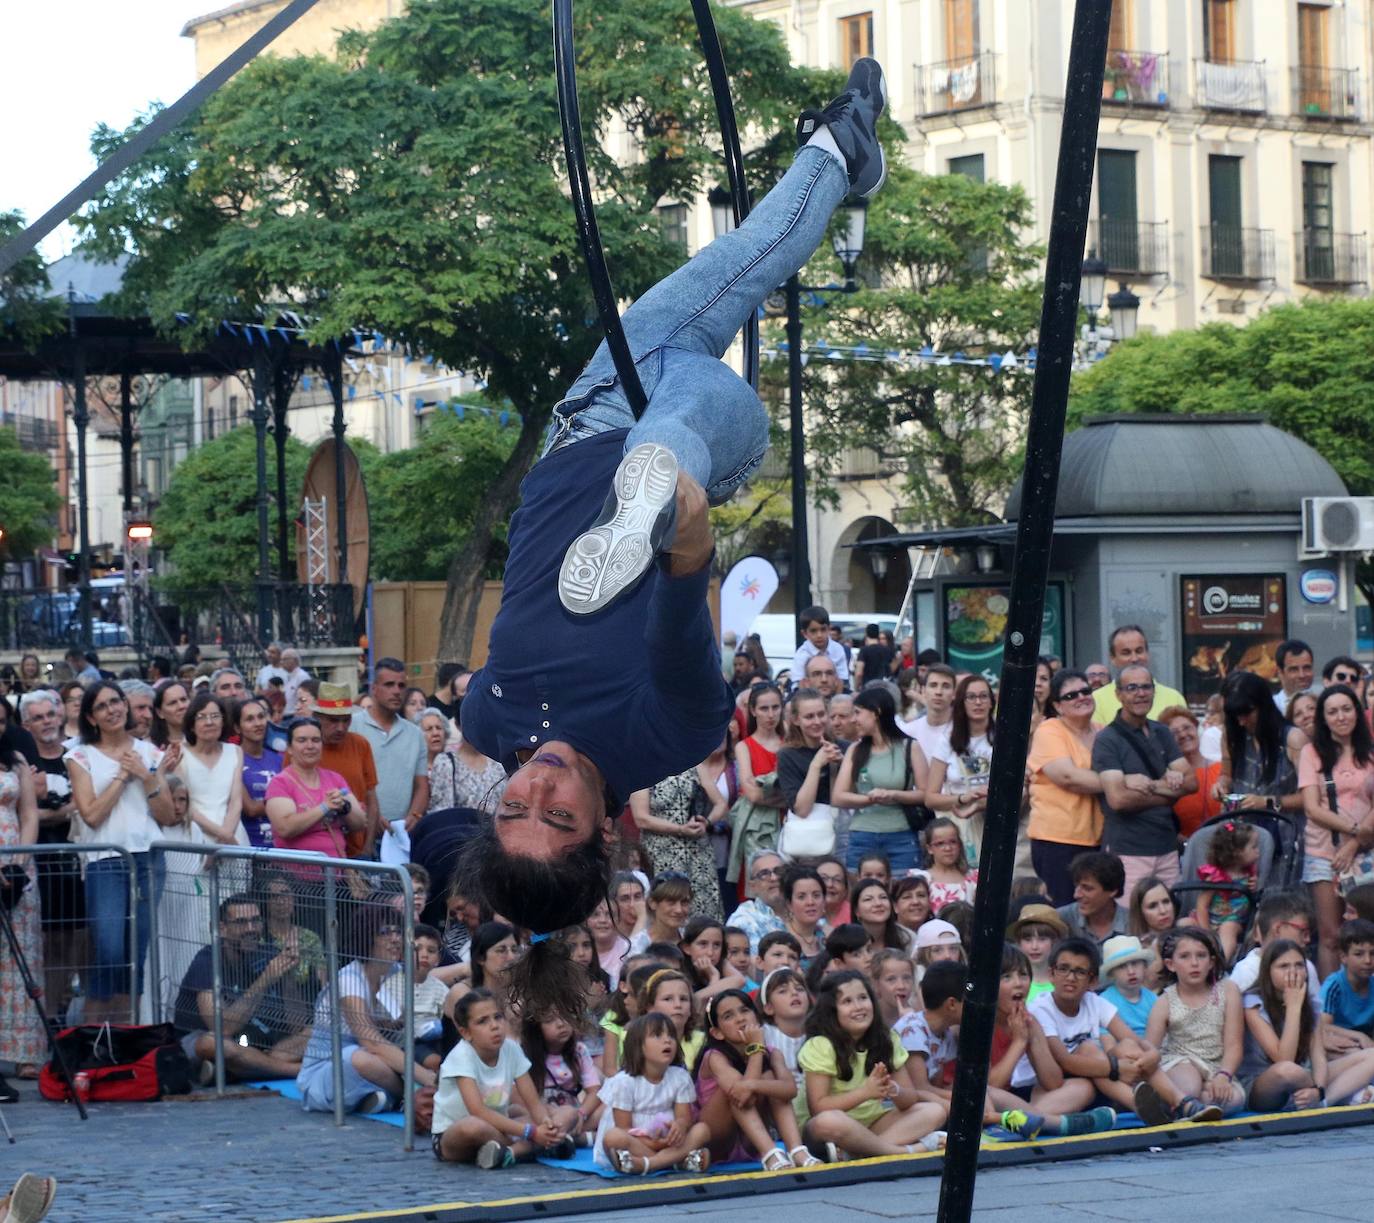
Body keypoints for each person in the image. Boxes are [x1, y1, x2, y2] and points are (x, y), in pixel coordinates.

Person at [456, 63, 889, 1020]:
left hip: (587, 412)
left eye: (515, 806)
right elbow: (677, 617)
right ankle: (645, 498)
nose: (534, 785)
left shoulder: (488, 723)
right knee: (674, 439)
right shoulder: (668, 733)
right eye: (556, 812)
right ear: (605, 830)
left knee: (745, 258)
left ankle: (846, 152)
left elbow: (482, 709)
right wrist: (680, 533)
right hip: (705, 442)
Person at [65, 681, 179, 1022]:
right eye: (102, 706)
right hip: (106, 861)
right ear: (91, 717)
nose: (112, 709)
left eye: (116, 701)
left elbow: (167, 815)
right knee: (109, 949)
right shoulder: (79, 755)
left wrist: (147, 776)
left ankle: (126, 1040)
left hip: (149, 859)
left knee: (135, 953)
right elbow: (92, 815)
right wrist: (122, 777)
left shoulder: (150, 754)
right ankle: (94, 1038)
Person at [1024, 938, 1220, 1125]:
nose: (1070, 978)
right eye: (1063, 969)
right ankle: (1145, 1105)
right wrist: (1116, 1068)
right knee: (1089, 1050)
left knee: (1126, 1046)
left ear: (1092, 981)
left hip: (1092, 1076)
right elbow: (1064, 1061)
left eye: (1079, 972)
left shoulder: (1094, 1002)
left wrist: (1151, 1053)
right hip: (1048, 1082)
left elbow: (1130, 1038)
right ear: (1051, 974)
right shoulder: (1041, 1008)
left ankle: (1180, 1102)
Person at [296, 905, 436, 1114]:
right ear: (367, 937)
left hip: (380, 1062)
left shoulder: (396, 973)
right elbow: (371, 1042)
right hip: (330, 1068)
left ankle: (383, 1098)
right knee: (360, 1057)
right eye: (385, 932)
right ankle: (413, 1095)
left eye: (398, 931)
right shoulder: (349, 979)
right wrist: (426, 1077)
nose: (395, 938)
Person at [799, 970, 947, 1157]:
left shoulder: (886, 1039)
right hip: (834, 1128)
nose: (859, 1006)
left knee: (934, 1110)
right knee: (826, 1121)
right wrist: (866, 1093)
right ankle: (902, 1151)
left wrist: (893, 1090)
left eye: (863, 998)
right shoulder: (821, 1045)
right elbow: (818, 1108)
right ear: (831, 1011)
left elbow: (908, 1100)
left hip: (875, 1125)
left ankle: (861, 1151)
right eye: (847, 1001)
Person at [173, 894, 308, 1082]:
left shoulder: (269, 953)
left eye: (255, 921)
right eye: (241, 923)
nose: (251, 929)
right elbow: (221, 1027)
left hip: (258, 1044)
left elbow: (297, 1025)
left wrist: (287, 974)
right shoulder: (207, 960)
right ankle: (292, 1071)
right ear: (222, 929)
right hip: (205, 1040)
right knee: (215, 1044)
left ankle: (250, 1067)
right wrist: (265, 979)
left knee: (317, 1032)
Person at [432, 989, 569, 1166]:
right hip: (455, 1135)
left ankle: (511, 1151)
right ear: (465, 1032)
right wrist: (533, 1133)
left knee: (566, 1113)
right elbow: (478, 1111)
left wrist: (546, 1124)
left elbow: (533, 1103)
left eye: (498, 1017)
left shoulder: (511, 1049)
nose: (494, 1026)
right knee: (473, 1126)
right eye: (482, 1021)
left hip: (500, 1127)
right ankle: (537, 1147)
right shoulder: (461, 1056)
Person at [1092, 665, 1195, 898]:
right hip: (1129, 851)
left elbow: (1191, 783)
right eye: (1132, 688)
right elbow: (1119, 800)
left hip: (1167, 847)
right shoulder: (1107, 740)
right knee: (1132, 925)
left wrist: (1151, 785)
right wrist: (1170, 791)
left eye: (1146, 687)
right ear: (1118, 694)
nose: (1140, 693)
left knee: (1170, 919)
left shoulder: (1162, 732)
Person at [695, 989, 818, 1170]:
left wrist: (754, 1083)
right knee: (733, 1090)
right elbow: (743, 1096)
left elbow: (790, 1090)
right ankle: (770, 1154)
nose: (740, 1019)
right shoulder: (714, 1057)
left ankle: (797, 1150)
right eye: (728, 1016)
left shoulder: (773, 1053)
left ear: (757, 1018)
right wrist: (756, 1050)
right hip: (717, 1140)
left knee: (769, 1078)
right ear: (717, 1033)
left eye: (745, 1010)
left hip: (748, 1139)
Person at [1298, 683, 1374, 976]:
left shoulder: (1369, 752)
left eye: (1346, 709)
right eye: (1332, 711)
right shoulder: (1311, 752)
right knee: (1330, 936)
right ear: (1323, 717)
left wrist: (1354, 842)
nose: (1341, 717)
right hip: (1323, 853)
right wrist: (1354, 829)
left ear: (1357, 711)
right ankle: (1329, 1008)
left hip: (1365, 854)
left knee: (1366, 933)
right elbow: (1312, 808)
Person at [19, 690, 84, 1020]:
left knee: (71, 940)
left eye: (50, 714)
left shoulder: (76, 756)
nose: (47, 722)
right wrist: (60, 812)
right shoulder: (22, 762)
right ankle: (42, 1017)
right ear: (26, 723)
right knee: (44, 943)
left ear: (60, 716)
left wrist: (47, 813)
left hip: (74, 861)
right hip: (35, 862)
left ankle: (60, 1014)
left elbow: (85, 805)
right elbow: (22, 813)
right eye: (38, 717)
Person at [593, 1012, 713, 1174]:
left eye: (671, 1035)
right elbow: (624, 1128)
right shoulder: (624, 1082)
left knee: (703, 1130)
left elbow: (684, 1117)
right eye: (657, 1035)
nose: (667, 1040)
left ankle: (647, 1165)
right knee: (613, 1137)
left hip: (668, 1141)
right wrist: (656, 1145)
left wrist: (679, 1126)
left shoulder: (680, 1077)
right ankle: (678, 1162)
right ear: (638, 1046)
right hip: (637, 1141)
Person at [1027, 670, 1103, 906]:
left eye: (1085, 691)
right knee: (1065, 910)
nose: (1081, 697)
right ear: (1058, 706)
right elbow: (1067, 776)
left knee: (1097, 909)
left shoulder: (1104, 731)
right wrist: (1119, 783)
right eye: (1071, 695)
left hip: (1100, 839)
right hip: (1057, 840)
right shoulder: (1049, 731)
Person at [832, 687, 921, 875]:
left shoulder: (910, 747)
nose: (853, 719)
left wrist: (893, 795)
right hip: (862, 834)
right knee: (863, 894)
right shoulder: (855, 750)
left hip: (901, 835)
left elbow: (926, 794)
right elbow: (839, 797)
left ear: (877, 712)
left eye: (858, 712)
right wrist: (869, 799)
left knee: (903, 893)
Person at [350, 658, 428, 865]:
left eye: (401, 685)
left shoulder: (415, 734)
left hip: (400, 837)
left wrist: (415, 814)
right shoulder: (352, 728)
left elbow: (421, 784)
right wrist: (370, 817)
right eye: (389, 684)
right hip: (358, 832)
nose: (396, 691)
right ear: (374, 688)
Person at [0, 730, 44, 1081]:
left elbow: (29, 813)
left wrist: (19, 861)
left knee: (20, 960)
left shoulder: (14, 760)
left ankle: (25, 1052)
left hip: (15, 865)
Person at [264, 718, 366, 866]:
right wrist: (325, 807)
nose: (310, 746)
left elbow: (360, 823)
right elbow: (285, 828)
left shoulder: (335, 779)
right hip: (296, 879)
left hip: (336, 875)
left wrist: (345, 806)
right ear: (290, 748)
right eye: (302, 740)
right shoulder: (280, 783)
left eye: (316, 740)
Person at [630, 765, 723, 922]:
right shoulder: (642, 766)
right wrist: (680, 829)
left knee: (704, 911)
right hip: (662, 853)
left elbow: (721, 804)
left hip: (698, 855)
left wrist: (706, 822)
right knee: (667, 906)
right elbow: (641, 818)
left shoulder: (696, 764)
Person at [924, 676, 997, 866]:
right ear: (961, 703)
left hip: (996, 821)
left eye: (983, 696)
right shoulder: (947, 739)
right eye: (971, 697)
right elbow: (930, 798)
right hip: (958, 825)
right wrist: (963, 799)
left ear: (992, 701)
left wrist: (981, 803)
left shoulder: (1004, 737)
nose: (978, 702)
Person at [1215, 669, 1306, 820]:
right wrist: (1221, 786)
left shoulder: (1292, 739)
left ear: (1263, 706)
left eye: (1246, 713)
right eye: (1235, 715)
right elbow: (1226, 775)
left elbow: (1311, 796)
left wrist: (1266, 802)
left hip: (1283, 830)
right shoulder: (1231, 734)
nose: (1241, 721)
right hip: (1241, 831)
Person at [313, 684, 382, 859]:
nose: (341, 727)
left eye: (346, 720)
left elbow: (371, 798)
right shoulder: (305, 747)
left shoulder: (360, 745)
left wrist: (368, 845)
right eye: (333, 720)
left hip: (357, 850)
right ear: (318, 717)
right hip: (317, 852)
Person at [521, 1008, 604, 1147]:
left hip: (574, 1114)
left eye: (566, 1016)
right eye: (550, 1020)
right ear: (535, 1027)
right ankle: (578, 1138)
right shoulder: (524, 1054)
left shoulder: (579, 1050)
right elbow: (522, 1100)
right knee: (518, 1114)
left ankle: (566, 1138)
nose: (561, 1024)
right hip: (543, 1115)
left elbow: (594, 1091)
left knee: (610, 1104)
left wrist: (581, 1114)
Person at [174, 690, 246, 847]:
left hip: (232, 832)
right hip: (195, 834)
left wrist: (226, 835)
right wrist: (222, 836)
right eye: (201, 717)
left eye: (215, 716)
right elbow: (185, 805)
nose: (209, 722)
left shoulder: (234, 751)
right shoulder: (180, 753)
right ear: (192, 725)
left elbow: (235, 801)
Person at [1195, 820, 1262, 961]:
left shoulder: (1249, 872)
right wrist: (1207, 933)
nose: (1258, 851)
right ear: (1237, 853)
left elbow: (1252, 898)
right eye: (1253, 847)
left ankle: (1221, 963)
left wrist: (1253, 886)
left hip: (1234, 919)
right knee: (1184, 924)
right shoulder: (1216, 875)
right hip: (1208, 920)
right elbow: (1202, 905)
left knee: (1228, 928)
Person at [1091, 626, 1186, 723]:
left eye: (1139, 651)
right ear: (1112, 658)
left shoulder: (1173, 698)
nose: (1134, 658)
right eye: (1126, 653)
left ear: (1147, 653)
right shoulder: (1096, 701)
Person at [423, 703, 505, 813]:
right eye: (471, 721)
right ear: (458, 724)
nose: (477, 726)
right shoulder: (446, 763)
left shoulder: (499, 765)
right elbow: (442, 812)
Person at [1161, 705, 1222, 839]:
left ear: (1196, 728)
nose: (1183, 734)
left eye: (1187, 728)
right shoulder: (1167, 778)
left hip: (1225, 846)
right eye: (1174, 733)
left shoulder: (1221, 769)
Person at [1320, 918, 1374, 1054]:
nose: (1368, 961)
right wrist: (1359, 1036)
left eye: (1372, 954)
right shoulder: (1334, 986)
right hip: (1338, 1046)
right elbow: (1322, 1026)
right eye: (1359, 954)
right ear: (1343, 957)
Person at [235, 696, 283, 848]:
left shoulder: (279, 759)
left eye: (261, 717)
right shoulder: (232, 759)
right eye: (249, 719)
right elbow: (251, 809)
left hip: (281, 848)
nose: (258, 724)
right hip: (249, 846)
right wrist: (285, 804)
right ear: (237, 727)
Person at [1056, 852, 1130, 946]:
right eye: (1076, 887)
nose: (1076, 895)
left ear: (1112, 890)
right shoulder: (1061, 919)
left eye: (1087, 888)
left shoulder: (1134, 924)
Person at [1098, 935, 1158, 1039]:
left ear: (1144, 966)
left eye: (1135, 964)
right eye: (1122, 967)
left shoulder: (1154, 1000)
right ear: (1111, 973)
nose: (1131, 972)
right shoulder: (1104, 1002)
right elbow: (1106, 1039)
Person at [730, 850, 788, 956]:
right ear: (752, 886)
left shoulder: (802, 909)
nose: (774, 878)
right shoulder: (744, 920)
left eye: (778, 871)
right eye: (764, 874)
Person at [1007, 904, 1067, 1001]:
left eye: (1042, 939)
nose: (1034, 946)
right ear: (1018, 943)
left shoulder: (1064, 982)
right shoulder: (1011, 984)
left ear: (1055, 941)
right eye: (1027, 939)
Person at [923, 816, 977, 910]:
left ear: (959, 845)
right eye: (940, 843)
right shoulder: (923, 879)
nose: (948, 848)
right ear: (929, 849)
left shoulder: (974, 878)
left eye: (953, 842)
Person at [792, 606, 851, 691]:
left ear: (829, 629)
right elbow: (800, 682)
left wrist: (835, 702)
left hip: (833, 692)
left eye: (823, 629)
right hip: (808, 694)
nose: (819, 635)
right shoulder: (802, 653)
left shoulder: (837, 649)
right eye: (813, 631)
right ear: (804, 633)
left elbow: (841, 680)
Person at [780, 865, 827, 967]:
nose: (810, 902)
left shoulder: (829, 938)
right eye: (801, 897)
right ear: (789, 904)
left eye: (816, 895)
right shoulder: (779, 940)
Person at [1274, 639, 1316, 717]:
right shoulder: (1272, 708)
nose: (1302, 675)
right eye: (1294, 669)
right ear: (1279, 672)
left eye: (1307, 668)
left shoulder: (1323, 705)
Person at [852, 624, 894, 691]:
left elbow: (859, 673)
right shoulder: (886, 650)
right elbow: (891, 668)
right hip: (883, 687)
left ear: (866, 633)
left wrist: (856, 688)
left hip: (868, 687)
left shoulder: (864, 650)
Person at [280, 648, 311, 712]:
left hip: (296, 716)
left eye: (284, 659)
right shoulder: (288, 676)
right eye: (281, 660)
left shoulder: (302, 676)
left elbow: (305, 698)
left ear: (294, 660)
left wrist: (300, 711)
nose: (281, 662)